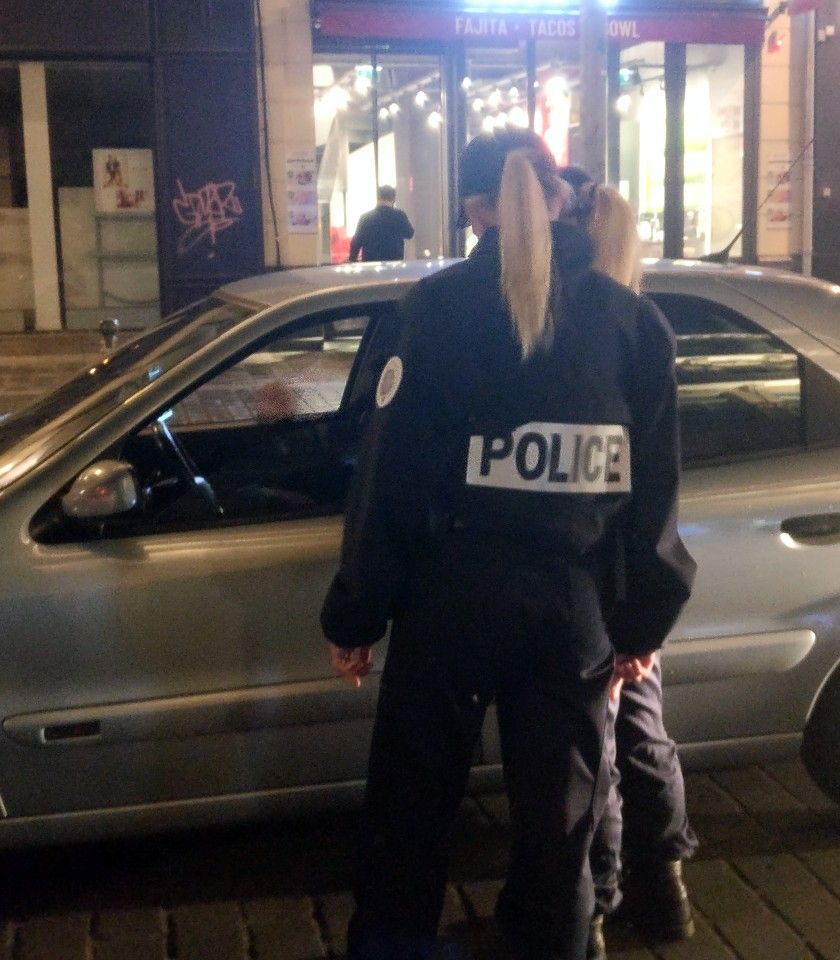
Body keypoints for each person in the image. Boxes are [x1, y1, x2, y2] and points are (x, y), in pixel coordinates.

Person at [322, 130, 696, 960]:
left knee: (411, 815)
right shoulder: (634, 323)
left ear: (473, 211)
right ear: (561, 198)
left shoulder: (436, 311)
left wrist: (357, 613)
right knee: (561, 835)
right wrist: (641, 627)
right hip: (573, 614)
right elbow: (655, 501)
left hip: (448, 603)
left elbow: (390, 481)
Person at [575, 183, 700, 944]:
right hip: (632, 577)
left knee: (594, 748)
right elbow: (658, 486)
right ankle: (664, 887)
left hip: (593, 574)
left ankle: (599, 900)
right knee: (639, 732)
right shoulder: (641, 327)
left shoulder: (590, 333)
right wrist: (647, 619)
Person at [350, 185, 416, 262]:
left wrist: (352, 259)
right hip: (394, 262)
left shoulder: (365, 217)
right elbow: (409, 234)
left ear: (378, 198)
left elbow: (356, 242)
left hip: (370, 263)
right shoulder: (399, 215)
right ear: (393, 199)